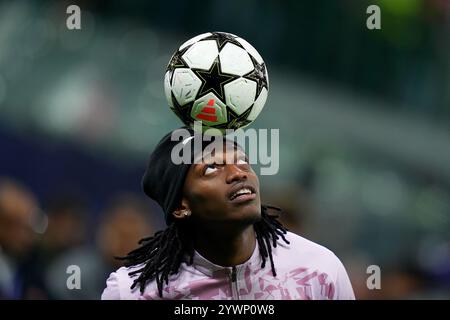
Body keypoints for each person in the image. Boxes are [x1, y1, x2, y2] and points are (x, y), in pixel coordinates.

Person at [101, 127, 355, 300]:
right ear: (180, 206)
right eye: (212, 168)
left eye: (242, 160)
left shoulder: (319, 270)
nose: (238, 172)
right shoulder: (133, 292)